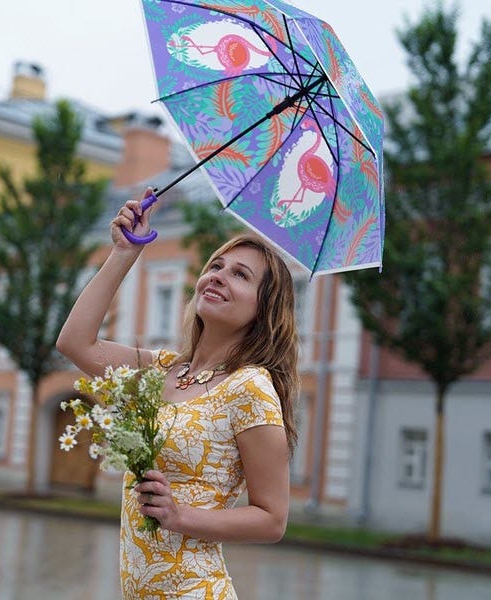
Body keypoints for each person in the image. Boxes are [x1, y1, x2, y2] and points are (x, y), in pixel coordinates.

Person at [56, 189, 299, 600]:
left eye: (241, 275)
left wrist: (178, 515)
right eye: (215, 265)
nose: (218, 275)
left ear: (265, 308)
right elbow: (75, 343)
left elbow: (272, 520)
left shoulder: (250, 387)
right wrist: (124, 253)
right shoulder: (162, 369)